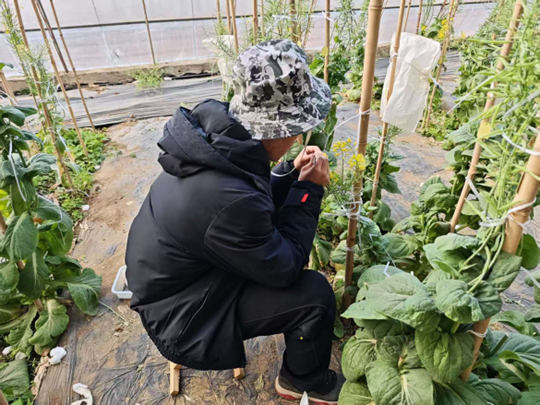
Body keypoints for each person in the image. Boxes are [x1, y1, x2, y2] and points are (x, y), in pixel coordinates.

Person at [125, 39, 344, 404]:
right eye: (299, 125)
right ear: (282, 128)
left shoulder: (219, 139)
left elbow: (247, 200)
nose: (299, 136)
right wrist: (309, 191)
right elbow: (286, 268)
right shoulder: (229, 200)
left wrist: (289, 173)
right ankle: (302, 380)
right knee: (315, 295)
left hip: (180, 280)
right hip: (182, 317)